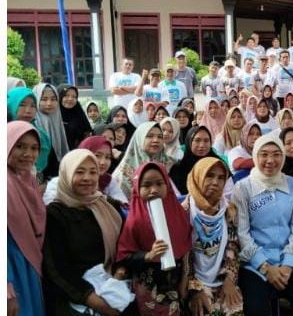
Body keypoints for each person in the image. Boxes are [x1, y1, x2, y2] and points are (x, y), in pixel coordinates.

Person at [232, 135, 293, 316]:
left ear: (283, 156)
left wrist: (288, 265)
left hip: (290, 260)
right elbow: (242, 233)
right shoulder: (243, 188)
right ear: (255, 156)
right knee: (256, 310)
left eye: (276, 154)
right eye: (264, 154)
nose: (270, 160)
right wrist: (265, 267)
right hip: (255, 264)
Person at [43, 149, 123, 315]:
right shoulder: (55, 214)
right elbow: (57, 268)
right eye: (79, 172)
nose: (87, 178)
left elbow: (125, 245)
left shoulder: (107, 205)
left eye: (93, 172)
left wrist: (119, 274)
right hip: (77, 299)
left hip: (114, 287)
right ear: (66, 174)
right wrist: (95, 302)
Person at [116, 162, 192, 316]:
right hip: (150, 286)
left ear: (167, 185)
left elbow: (187, 248)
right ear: (137, 188)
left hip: (177, 280)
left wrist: (185, 279)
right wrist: (148, 255)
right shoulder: (135, 220)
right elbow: (124, 257)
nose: (154, 190)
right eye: (146, 185)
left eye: (159, 184)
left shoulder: (178, 214)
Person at [184, 158, 243, 315]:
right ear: (198, 176)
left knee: (234, 307)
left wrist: (229, 280)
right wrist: (195, 290)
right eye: (209, 175)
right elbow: (181, 258)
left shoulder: (229, 211)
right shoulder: (183, 212)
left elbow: (233, 247)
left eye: (221, 177)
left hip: (223, 280)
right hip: (193, 283)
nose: (215, 182)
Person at [7, 122, 45, 316]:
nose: (28, 154)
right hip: (11, 272)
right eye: (20, 146)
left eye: (34, 148)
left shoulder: (28, 180)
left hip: (29, 265)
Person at [113, 121, 174, 198]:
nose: (156, 140)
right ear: (139, 139)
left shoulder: (168, 164)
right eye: (150, 136)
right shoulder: (122, 174)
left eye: (160, 137)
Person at [7, 86, 52, 174]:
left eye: (33, 106)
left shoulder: (41, 136)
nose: (28, 110)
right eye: (22, 105)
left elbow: (42, 167)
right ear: (10, 105)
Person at [33, 83, 70, 180]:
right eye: (44, 99)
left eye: (53, 99)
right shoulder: (32, 124)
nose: (49, 103)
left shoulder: (57, 119)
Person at [57, 84, 92, 149]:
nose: (70, 99)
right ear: (59, 96)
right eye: (66, 96)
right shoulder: (53, 116)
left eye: (74, 97)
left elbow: (87, 134)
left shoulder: (79, 114)